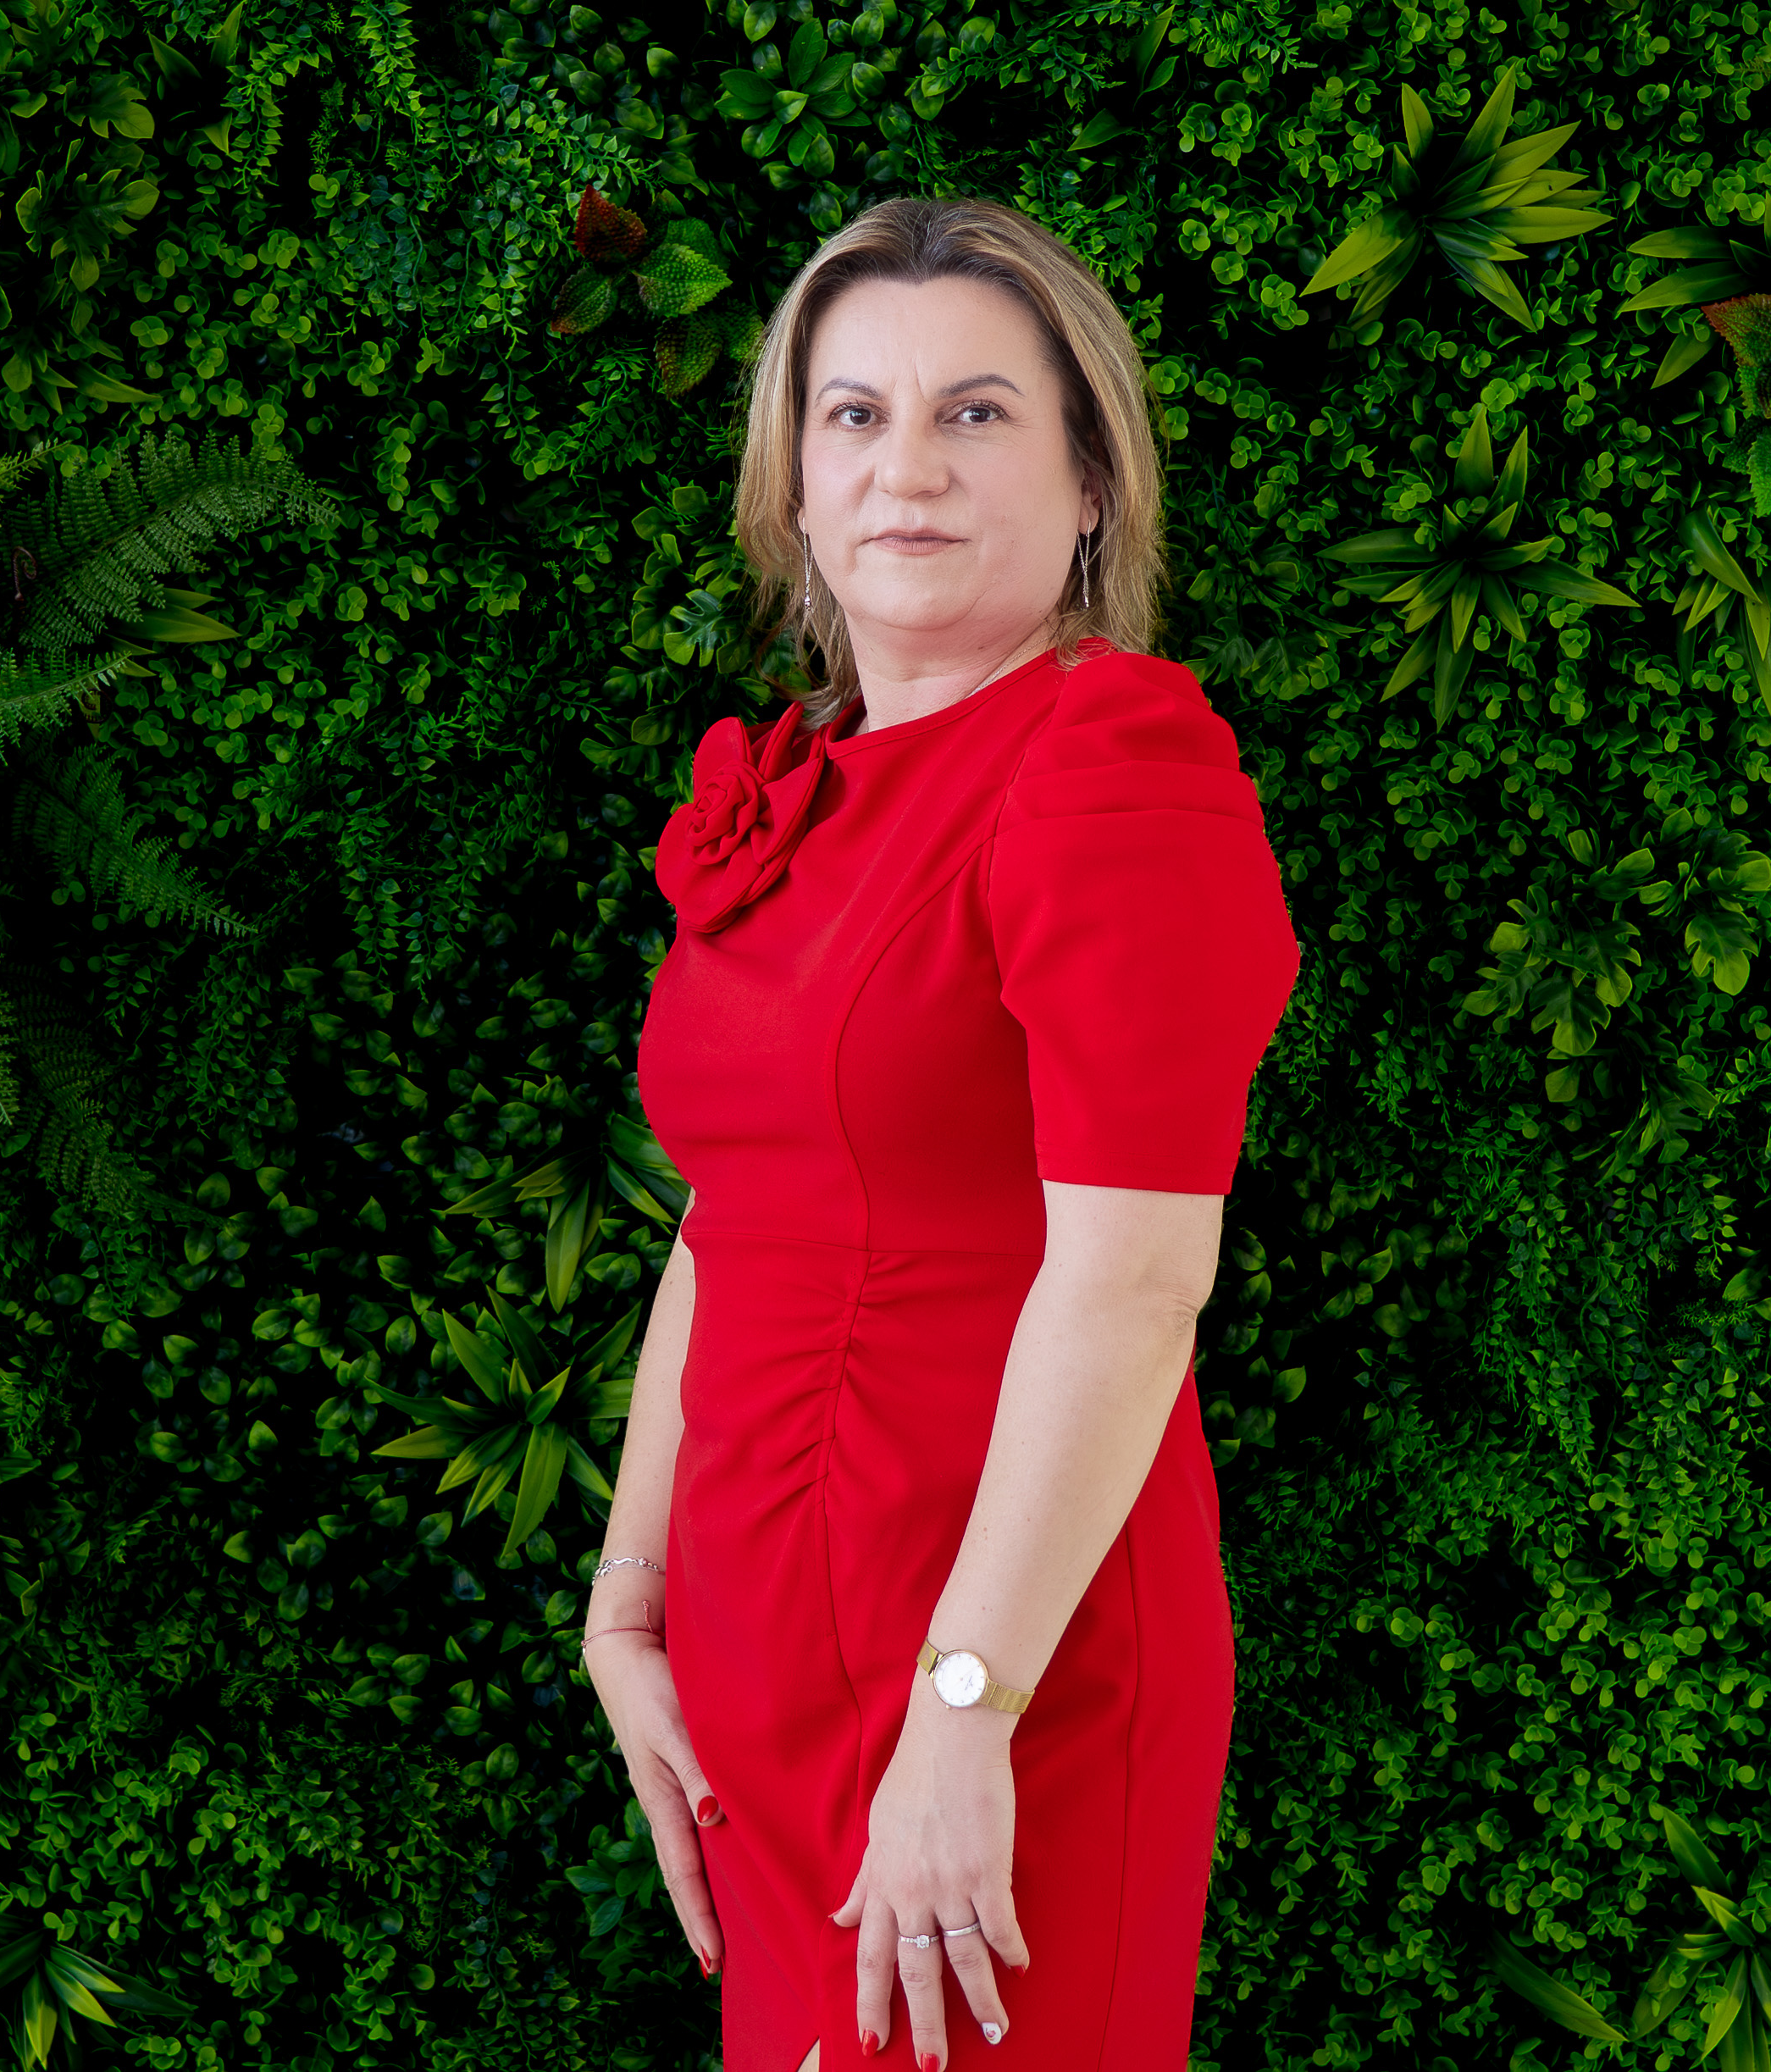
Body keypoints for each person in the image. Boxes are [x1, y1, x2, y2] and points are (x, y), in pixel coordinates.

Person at [579, 196, 1303, 2072]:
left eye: (976, 414)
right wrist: (628, 1596)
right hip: (762, 1655)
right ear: (795, 483)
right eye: (855, 415)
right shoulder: (804, 788)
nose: (904, 467)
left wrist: (965, 1706)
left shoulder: (1110, 765)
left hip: (1000, 1659)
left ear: (1090, 479)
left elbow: (1136, 1277)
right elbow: (729, 1212)